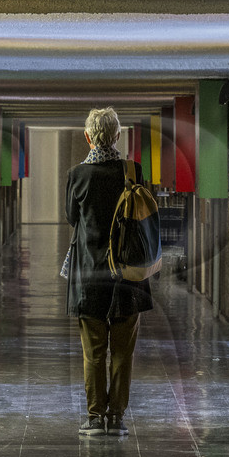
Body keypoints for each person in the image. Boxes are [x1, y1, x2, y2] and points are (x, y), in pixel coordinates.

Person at [64, 107, 153, 437]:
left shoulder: (77, 176)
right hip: (129, 276)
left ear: (88, 137)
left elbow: (72, 218)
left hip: (90, 275)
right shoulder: (133, 171)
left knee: (94, 352)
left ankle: (95, 417)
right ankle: (116, 417)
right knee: (122, 352)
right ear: (117, 136)